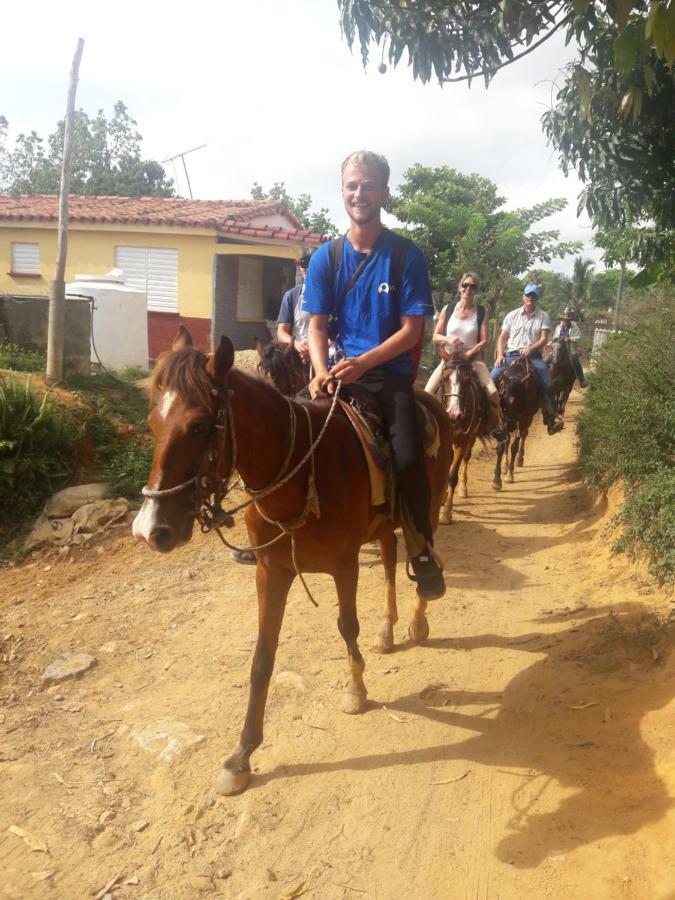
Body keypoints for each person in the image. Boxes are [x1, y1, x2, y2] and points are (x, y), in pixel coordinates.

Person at [303, 149, 445, 601]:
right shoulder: (326, 257)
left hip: (388, 379)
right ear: (342, 191)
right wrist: (321, 371)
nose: (358, 193)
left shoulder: (405, 255)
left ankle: (420, 547)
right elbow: (317, 326)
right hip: (339, 373)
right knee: (281, 428)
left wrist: (365, 362)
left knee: (406, 457)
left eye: (367, 185)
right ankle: (272, 528)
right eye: (351, 185)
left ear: (384, 191)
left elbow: (412, 330)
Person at [424, 271, 502, 434]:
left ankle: (494, 426)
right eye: (465, 285)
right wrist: (448, 340)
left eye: (472, 286)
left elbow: (484, 341)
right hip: (449, 360)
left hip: (472, 360)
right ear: (460, 287)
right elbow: (435, 336)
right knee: (427, 393)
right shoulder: (448, 309)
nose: (468, 289)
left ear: (476, 290)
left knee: (493, 392)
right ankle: (425, 429)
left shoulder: (481, 312)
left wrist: (471, 352)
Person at [490, 283, 565, 435]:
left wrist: (530, 348)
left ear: (536, 298)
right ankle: (488, 418)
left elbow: (544, 338)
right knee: (491, 378)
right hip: (511, 355)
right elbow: (502, 337)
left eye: (533, 295)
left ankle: (550, 418)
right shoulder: (512, 315)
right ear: (523, 296)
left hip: (533, 356)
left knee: (548, 383)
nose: (530, 297)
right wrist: (499, 355)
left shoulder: (543, 316)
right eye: (528, 295)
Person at [276, 252, 312, 363]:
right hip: (299, 357)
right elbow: (281, 332)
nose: (307, 268)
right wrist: (296, 344)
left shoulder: (333, 295)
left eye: (312, 263)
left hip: (328, 358)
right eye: (303, 264)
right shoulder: (291, 296)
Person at [552, 307, 587, 387]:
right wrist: (550, 343)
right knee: (548, 359)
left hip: (570, 348)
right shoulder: (558, 327)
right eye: (564, 319)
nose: (566, 320)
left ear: (570, 319)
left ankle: (582, 380)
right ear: (562, 319)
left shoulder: (574, 327)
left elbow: (579, 336)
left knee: (576, 362)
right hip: (558, 347)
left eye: (567, 319)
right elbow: (554, 337)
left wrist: (570, 339)